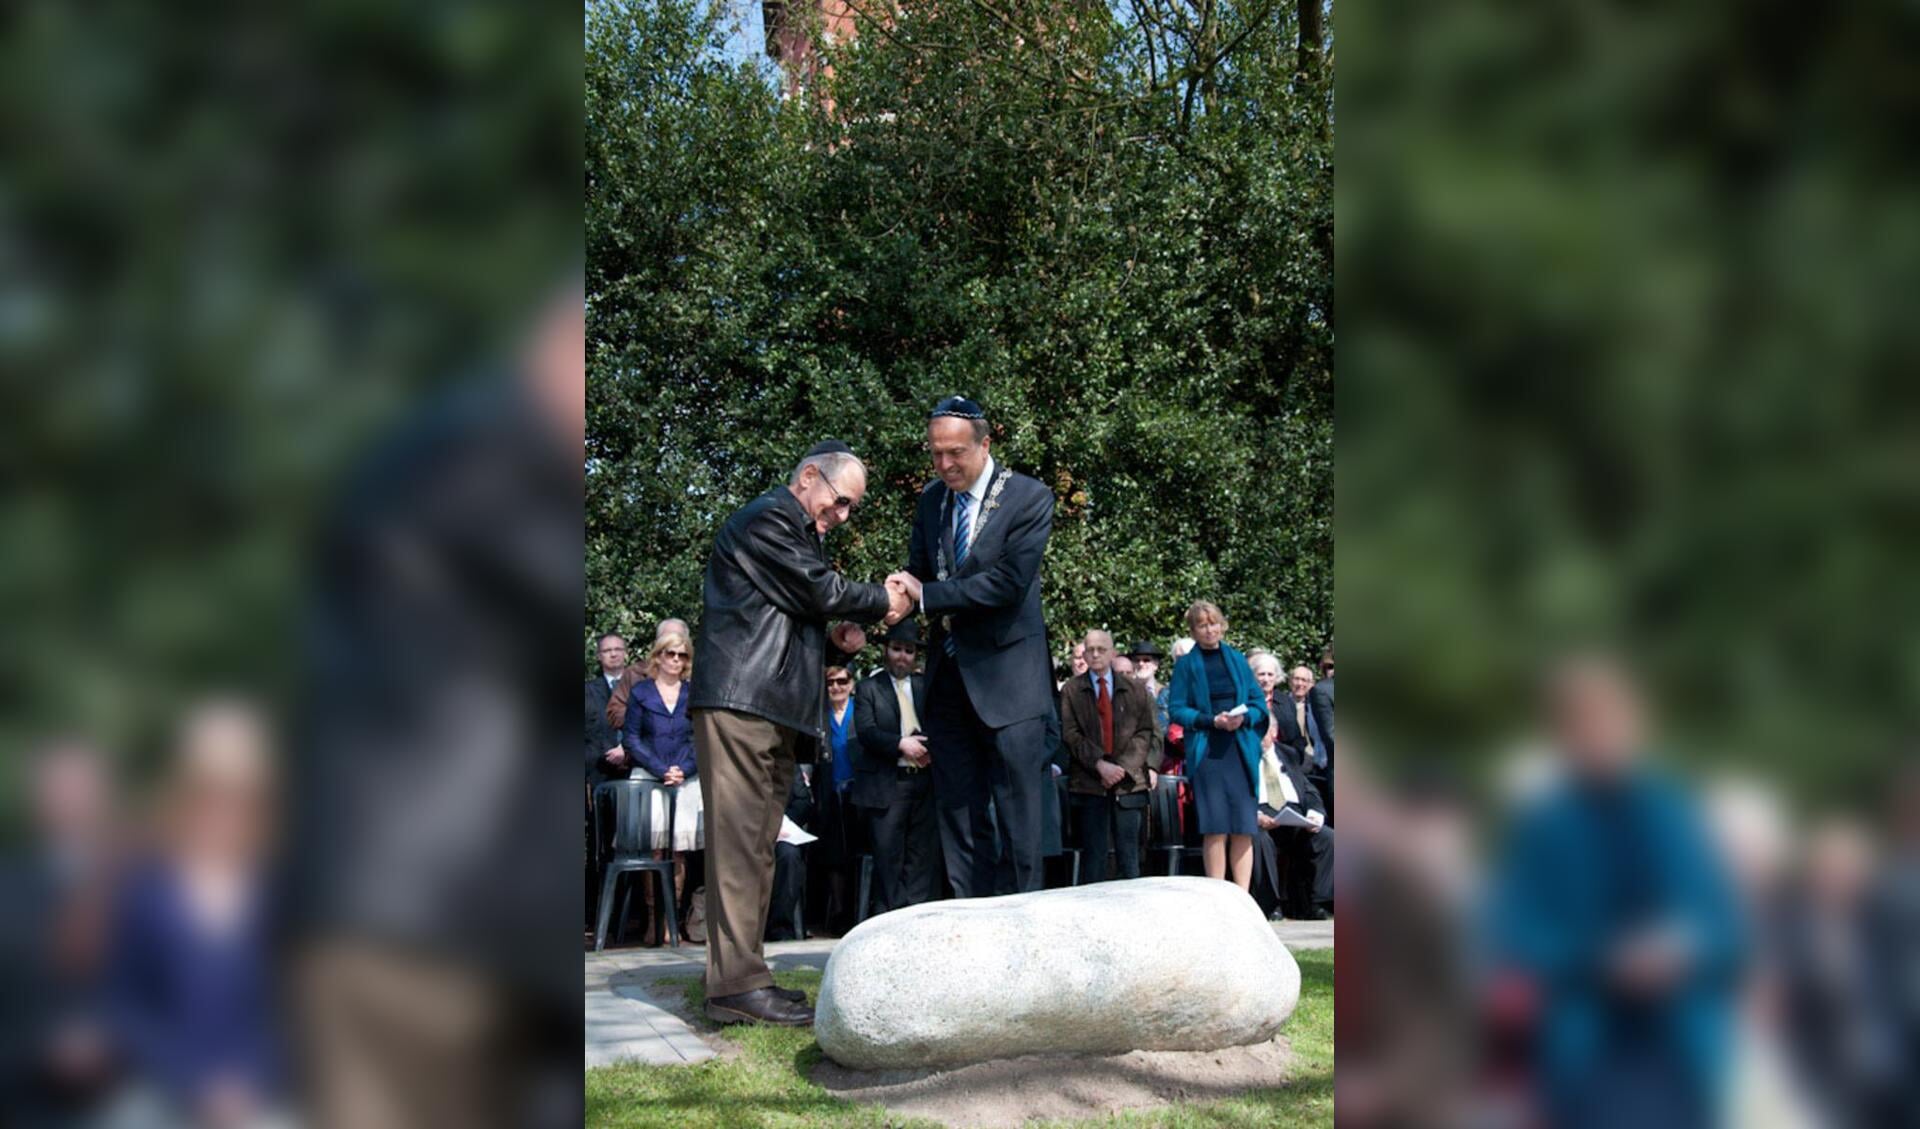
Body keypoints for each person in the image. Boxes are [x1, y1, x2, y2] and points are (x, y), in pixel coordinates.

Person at [689, 441, 908, 1027]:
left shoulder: (792, 529)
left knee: (758, 847)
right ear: (808, 476)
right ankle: (734, 984)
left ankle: (744, 978)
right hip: (742, 704)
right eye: (839, 502)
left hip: (767, 706)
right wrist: (881, 601)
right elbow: (819, 590)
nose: (841, 517)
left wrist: (833, 641)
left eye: (849, 509)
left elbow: (790, 612)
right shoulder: (768, 517)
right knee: (740, 848)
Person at [1492, 657, 1746, 1129]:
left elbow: (1728, 928)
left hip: (1679, 1048)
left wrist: (1684, 950)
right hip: (1586, 1051)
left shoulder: (1677, 813)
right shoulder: (1545, 826)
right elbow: (1514, 935)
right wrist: (1605, 960)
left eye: (1613, 719)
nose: (1602, 735)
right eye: (1584, 723)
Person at [886, 396, 1056, 898]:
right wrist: (887, 602)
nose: (944, 465)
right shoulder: (931, 500)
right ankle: (970, 922)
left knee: (1020, 815)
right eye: (936, 453)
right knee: (957, 812)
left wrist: (927, 597)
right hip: (949, 681)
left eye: (955, 452)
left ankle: (1026, 925)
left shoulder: (1030, 497)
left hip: (1011, 683)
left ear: (985, 444)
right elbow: (917, 571)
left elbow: (1008, 582)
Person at [105, 701, 287, 1129]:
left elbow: (293, 1013)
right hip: (164, 1096)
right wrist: (191, 1081)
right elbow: (123, 1005)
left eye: (238, 794)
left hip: (259, 1102)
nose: (222, 807)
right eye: (208, 791)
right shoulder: (147, 891)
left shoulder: (279, 894)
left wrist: (249, 1083)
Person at [0, 740, 122, 1129]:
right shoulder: (7, 889)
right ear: (37, 800)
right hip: (27, 1103)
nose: (72, 801)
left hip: (130, 1100)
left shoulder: (139, 886)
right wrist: (42, 1047)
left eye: (82, 788)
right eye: (59, 789)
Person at [1164, 601, 1266, 891]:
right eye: (1202, 625)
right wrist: (1211, 720)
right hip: (1208, 752)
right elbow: (1177, 709)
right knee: (1215, 826)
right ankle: (1218, 897)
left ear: (1222, 625)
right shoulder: (1186, 665)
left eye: (1213, 623)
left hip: (1239, 751)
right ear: (1193, 631)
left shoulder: (1237, 659)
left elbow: (1260, 706)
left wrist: (1243, 718)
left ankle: (1243, 898)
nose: (1209, 630)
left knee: (1244, 827)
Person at [620, 630, 704, 943]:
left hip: (684, 777)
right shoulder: (641, 691)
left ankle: (673, 920)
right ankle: (654, 920)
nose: (676, 661)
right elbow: (632, 738)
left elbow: (699, 737)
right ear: (659, 656)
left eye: (682, 655)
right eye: (671, 654)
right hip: (649, 776)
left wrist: (683, 770)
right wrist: (660, 769)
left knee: (678, 852)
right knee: (655, 850)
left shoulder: (693, 692)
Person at [852, 620, 939, 915]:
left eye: (909, 651)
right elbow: (866, 732)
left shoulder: (925, 686)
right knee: (888, 856)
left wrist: (929, 746)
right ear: (886, 651)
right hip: (888, 783)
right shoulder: (869, 688)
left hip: (924, 781)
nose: (902, 656)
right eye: (897, 649)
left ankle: (915, 917)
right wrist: (901, 744)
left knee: (921, 855)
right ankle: (890, 917)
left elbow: (942, 726)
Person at [1059, 630, 1156, 883]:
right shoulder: (1071, 690)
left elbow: (1145, 731)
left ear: (1113, 653)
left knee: (1130, 858)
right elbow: (1070, 733)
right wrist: (1099, 764)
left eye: (1101, 649)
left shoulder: (1135, 690)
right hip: (1090, 784)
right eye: (1090, 649)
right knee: (1094, 859)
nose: (1095, 654)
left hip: (1129, 784)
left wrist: (1121, 767)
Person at [806, 666, 865, 934]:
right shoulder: (818, 716)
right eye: (831, 682)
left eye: (842, 681)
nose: (836, 687)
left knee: (857, 852)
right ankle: (838, 914)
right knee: (832, 856)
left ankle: (860, 912)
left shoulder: (861, 710)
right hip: (828, 793)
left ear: (852, 684)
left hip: (859, 792)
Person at [1251, 740, 1333, 920]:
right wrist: (1255, 815)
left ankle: (1317, 903)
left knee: (1328, 837)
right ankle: (1270, 905)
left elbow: (1308, 790)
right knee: (1259, 840)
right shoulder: (1243, 753)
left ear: (1273, 732)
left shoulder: (1287, 754)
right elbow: (1237, 793)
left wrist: (1314, 814)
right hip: (1261, 813)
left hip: (1294, 814)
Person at [605, 618, 690, 733]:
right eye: (666, 639)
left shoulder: (696, 677)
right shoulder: (635, 673)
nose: (671, 645)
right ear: (656, 643)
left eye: (677, 639)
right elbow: (614, 711)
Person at [764, 766, 813, 943]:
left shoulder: (789, 766)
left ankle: (781, 928)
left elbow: (803, 803)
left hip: (783, 831)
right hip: (749, 833)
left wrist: (779, 824)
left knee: (790, 855)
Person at [585, 634, 628, 781]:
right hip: (599, 771)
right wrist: (609, 752)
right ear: (599, 656)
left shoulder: (643, 687)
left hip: (638, 768)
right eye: (607, 650)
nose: (613, 654)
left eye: (618, 649)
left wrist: (626, 749)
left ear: (625, 653)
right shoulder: (587, 691)